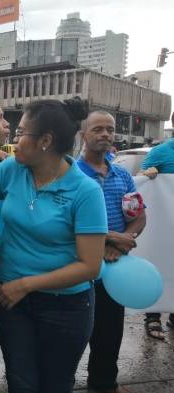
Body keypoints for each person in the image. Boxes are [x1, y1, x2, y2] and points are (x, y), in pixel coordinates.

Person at [0, 98, 108, 393]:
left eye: (21, 133)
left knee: (55, 384)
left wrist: (25, 285)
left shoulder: (85, 191)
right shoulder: (12, 169)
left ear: (45, 141)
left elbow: (90, 266)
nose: (14, 139)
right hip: (11, 301)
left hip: (66, 306)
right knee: (21, 382)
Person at [78, 111, 147, 393]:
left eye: (110, 129)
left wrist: (124, 240)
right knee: (71, 334)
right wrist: (107, 241)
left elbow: (139, 216)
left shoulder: (122, 175)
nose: (105, 134)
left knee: (110, 333)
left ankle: (104, 384)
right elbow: (64, 221)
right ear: (83, 135)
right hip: (78, 267)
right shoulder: (71, 174)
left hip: (115, 269)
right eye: (98, 129)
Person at [140, 136, 174, 338]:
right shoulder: (160, 151)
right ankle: (152, 317)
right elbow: (140, 179)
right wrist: (147, 173)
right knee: (159, 263)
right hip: (163, 222)